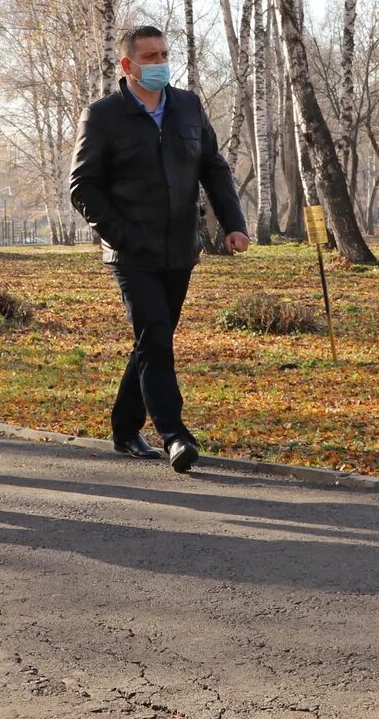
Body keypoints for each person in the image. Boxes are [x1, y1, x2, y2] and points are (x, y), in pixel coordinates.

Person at [69, 25, 250, 473]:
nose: (160, 63)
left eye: (164, 54)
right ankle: (175, 433)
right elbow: (83, 186)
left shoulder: (187, 106)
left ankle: (124, 427)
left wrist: (233, 224)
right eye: (150, 57)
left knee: (153, 339)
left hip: (180, 248)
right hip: (131, 252)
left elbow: (213, 166)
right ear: (128, 66)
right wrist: (121, 234)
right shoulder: (103, 115)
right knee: (154, 337)